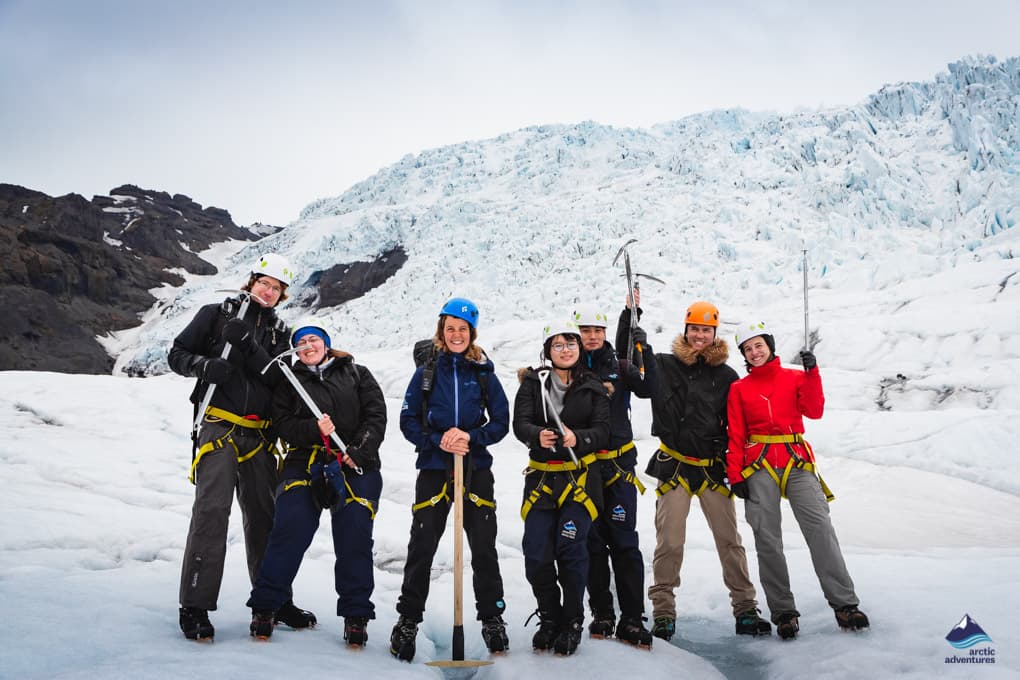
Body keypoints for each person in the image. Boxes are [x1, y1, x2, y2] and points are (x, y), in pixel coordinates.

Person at [168, 253, 313, 641]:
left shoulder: (281, 335)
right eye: (264, 283)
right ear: (251, 282)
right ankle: (195, 606)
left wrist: (250, 345)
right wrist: (203, 366)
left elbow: (280, 381)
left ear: (282, 295)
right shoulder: (215, 315)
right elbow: (177, 354)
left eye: (276, 287)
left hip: (261, 435)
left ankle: (273, 599)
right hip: (219, 426)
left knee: (265, 517)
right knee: (212, 514)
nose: (268, 291)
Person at [726, 321, 869, 640]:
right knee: (767, 538)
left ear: (770, 346)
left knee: (820, 529)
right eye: (748, 349)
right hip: (758, 463)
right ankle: (783, 612)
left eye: (758, 345)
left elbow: (814, 411)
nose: (754, 352)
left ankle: (845, 604)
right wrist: (735, 475)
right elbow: (735, 434)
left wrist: (813, 373)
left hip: (795, 459)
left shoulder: (794, 378)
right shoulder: (739, 389)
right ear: (744, 356)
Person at [247, 319, 386, 645]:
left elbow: (376, 416)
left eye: (313, 340)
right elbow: (281, 424)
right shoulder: (288, 382)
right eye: (300, 343)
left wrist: (359, 452)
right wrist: (314, 429)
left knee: (354, 538)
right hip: (303, 463)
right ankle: (266, 607)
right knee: (289, 531)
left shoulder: (357, 374)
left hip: (354, 464)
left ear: (326, 344)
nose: (307, 346)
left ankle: (356, 616)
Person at [390, 298, 512, 661]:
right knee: (422, 546)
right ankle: (408, 619)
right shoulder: (427, 372)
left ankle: (491, 617)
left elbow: (501, 421)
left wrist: (471, 438)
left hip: (475, 468)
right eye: (450, 328)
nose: (456, 334)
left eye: (463, 328)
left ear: (471, 332)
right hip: (433, 467)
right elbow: (408, 420)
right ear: (441, 331)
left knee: (484, 546)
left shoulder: (484, 373)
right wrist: (437, 440)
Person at [644, 301, 770, 641]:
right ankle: (663, 613)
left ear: (715, 333)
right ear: (686, 330)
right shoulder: (663, 365)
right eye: (695, 328)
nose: (700, 335)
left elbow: (736, 426)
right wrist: (632, 325)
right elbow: (637, 377)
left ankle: (745, 608)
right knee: (669, 541)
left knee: (729, 541)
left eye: (706, 329)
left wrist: (739, 470)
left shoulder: (727, 376)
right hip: (675, 466)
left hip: (713, 468)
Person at [513, 319, 610, 656]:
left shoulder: (593, 385)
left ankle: (572, 621)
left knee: (571, 549)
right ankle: (550, 617)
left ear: (579, 348)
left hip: (580, 479)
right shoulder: (533, 383)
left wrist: (578, 438)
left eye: (571, 343)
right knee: (536, 554)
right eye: (558, 344)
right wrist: (534, 435)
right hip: (542, 479)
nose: (565, 349)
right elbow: (520, 422)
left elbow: (602, 431)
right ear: (548, 350)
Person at [574, 296, 657, 648]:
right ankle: (602, 612)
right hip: (586, 467)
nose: (592, 336)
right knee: (593, 541)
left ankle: (633, 617)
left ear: (605, 332)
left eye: (597, 330)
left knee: (624, 541)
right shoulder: (570, 366)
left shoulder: (620, 366)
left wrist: (644, 349)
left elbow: (649, 388)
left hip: (620, 464)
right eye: (585, 330)